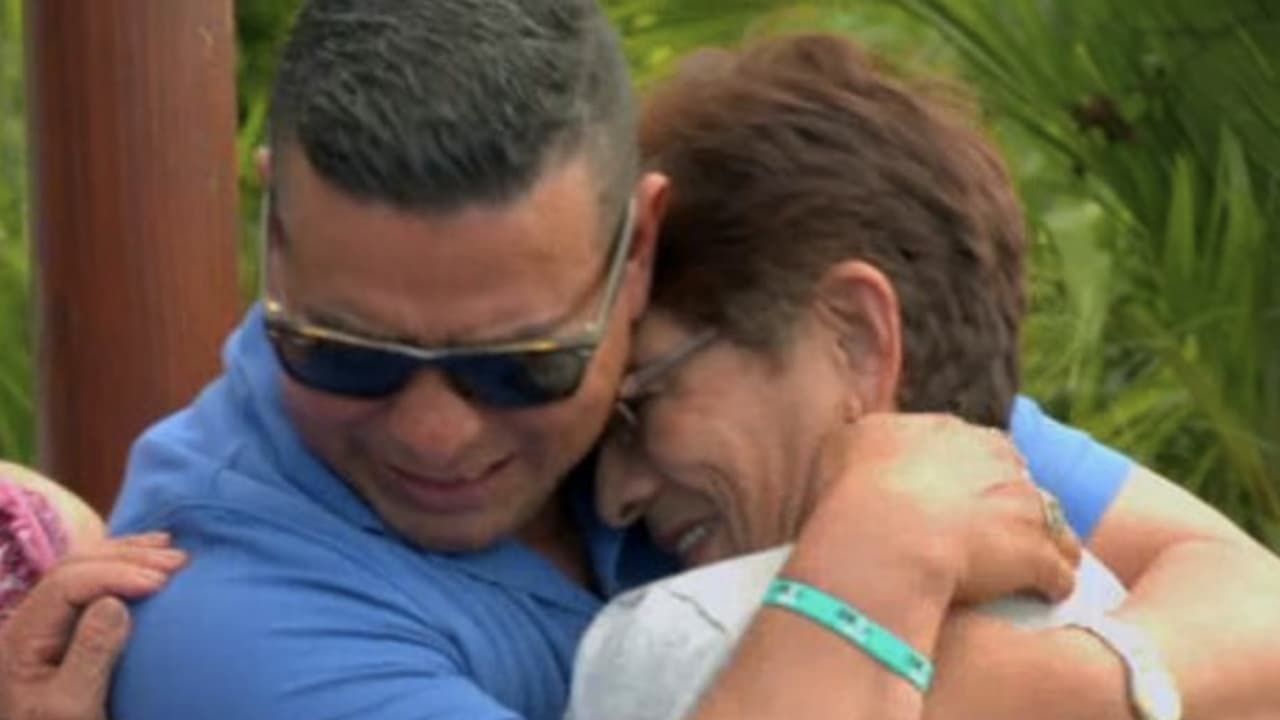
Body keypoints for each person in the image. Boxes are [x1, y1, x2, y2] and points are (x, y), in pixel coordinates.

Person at [6, 2, 1280, 719]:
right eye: (346, 354)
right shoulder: (223, 618)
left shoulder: (721, 355)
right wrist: (870, 565)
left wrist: (1044, 688)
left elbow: (1252, 601)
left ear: (638, 256)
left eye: (518, 365)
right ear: (273, 232)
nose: (436, 431)